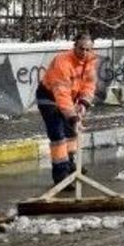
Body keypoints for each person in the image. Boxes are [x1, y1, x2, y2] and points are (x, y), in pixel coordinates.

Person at [36, 34, 97, 187]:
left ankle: (70, 166)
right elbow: (61, 95)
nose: (84, 52)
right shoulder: (62, 62)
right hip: (49, 99)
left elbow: (89, 85)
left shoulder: (89, 62)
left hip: (70, 99)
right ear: (74, 46)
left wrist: (83, 103)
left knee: (71, 133)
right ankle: (60, 175)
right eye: (81, 48)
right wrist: (73, 117)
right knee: (58, 136)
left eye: (88, 49)